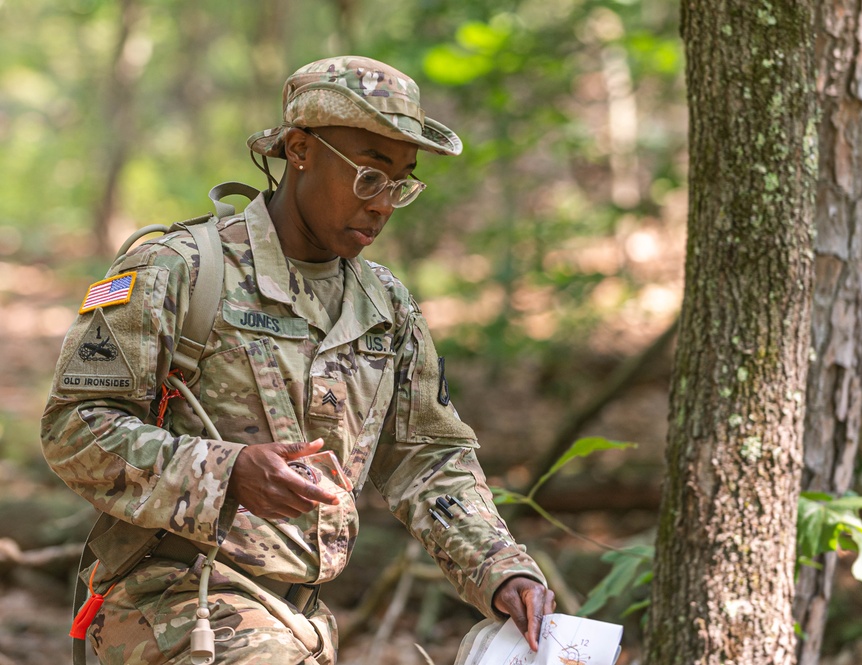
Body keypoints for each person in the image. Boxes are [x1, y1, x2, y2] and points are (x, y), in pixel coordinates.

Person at [41, 55, 554, 665]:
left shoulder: (383, 303)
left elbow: (428, 455)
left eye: (401, 184)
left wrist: (500, 570)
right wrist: (224, 471)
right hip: (171, 599)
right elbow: (73, 427)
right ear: (299, 149)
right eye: (368, 177)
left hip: (302, 619)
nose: (383, 205)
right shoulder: (177, 269)